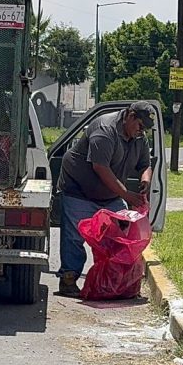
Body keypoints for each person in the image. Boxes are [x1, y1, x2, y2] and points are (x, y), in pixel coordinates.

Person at [56, 101, 155, 298]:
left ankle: (116, 283)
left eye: (145, 129)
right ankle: (68, 280)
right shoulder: (105, 130)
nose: (141, 131)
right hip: (79, 189)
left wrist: (145, 180)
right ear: (130, 115)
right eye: (140, 125)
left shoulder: (139, 138)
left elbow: (146, 164)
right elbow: (100, 168)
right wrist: (127, 195)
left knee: (121, 237)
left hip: (110, 196)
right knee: (75, 236)